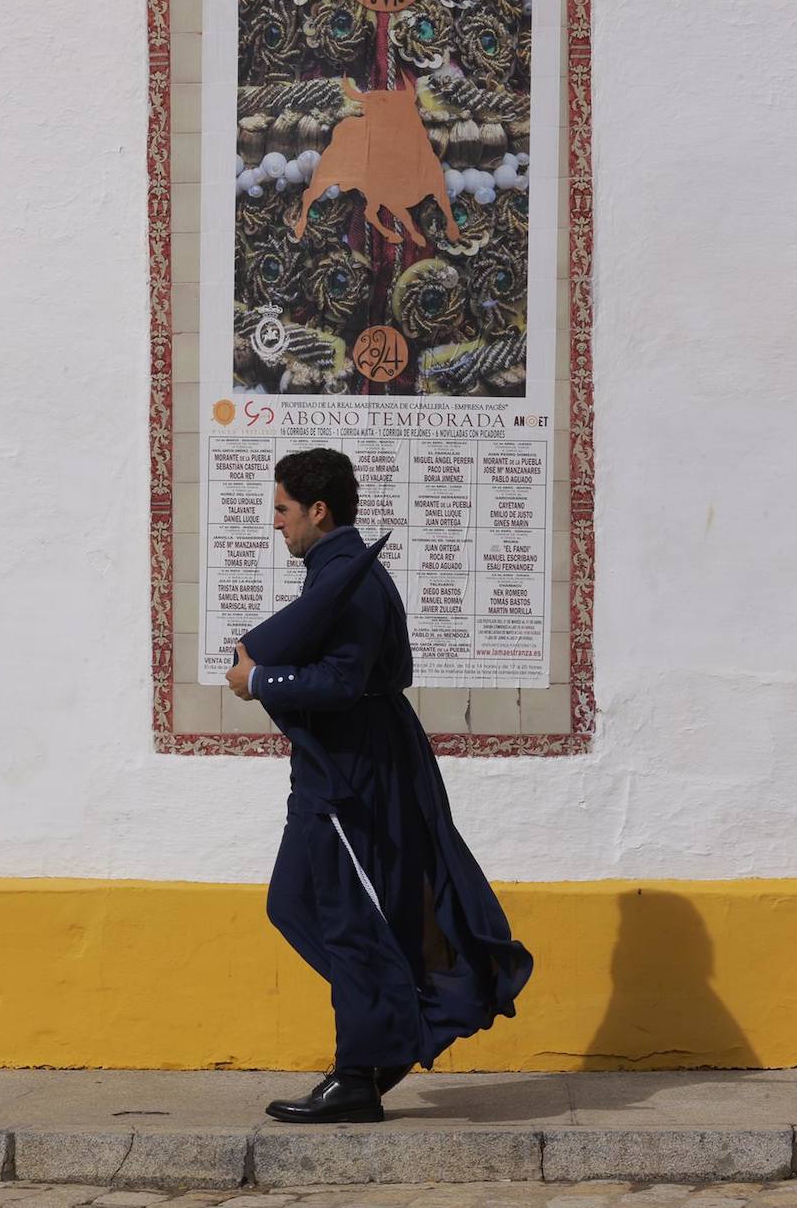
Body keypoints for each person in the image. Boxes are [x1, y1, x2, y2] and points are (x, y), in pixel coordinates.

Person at [225, 448, 533, 1124]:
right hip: (334, 767)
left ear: (317, 510)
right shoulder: (335, 572)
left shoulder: (350, 578)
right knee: (293, 902)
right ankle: (389, 1027)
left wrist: (260, 681)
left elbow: (341, 682)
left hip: (351, 770)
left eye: (281, 510)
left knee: (347, 918)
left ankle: (358, 1073)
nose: (275, 524)